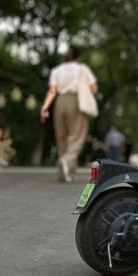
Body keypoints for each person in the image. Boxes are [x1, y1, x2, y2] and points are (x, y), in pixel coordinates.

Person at [40, 46, 98, 182]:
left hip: (60, 101)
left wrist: (45, 107)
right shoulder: (83, 69)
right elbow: (94, 88)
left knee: (62, 136)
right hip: (76, 100)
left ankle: (68, 173)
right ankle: (66, 161)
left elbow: (52, 91)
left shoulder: (57, 70)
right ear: (79, 57)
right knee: (77, 136)